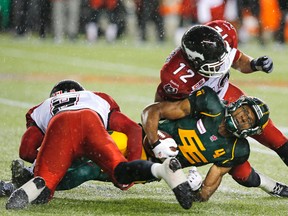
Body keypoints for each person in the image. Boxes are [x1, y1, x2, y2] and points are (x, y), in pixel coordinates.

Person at [5, 80, 193, 210]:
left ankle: (35, 184)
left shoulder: (42, 107)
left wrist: (48, 158)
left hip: (60, 126)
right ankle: (162, 170)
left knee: (46, 187)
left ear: (54, 96)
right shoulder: (96, 97)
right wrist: (132, 170)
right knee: (122, 171)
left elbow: (26, 149)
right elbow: (133, 129)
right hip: (91, 122)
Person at [154, 21, 288, 190]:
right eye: (215, 63)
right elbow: (174, 110)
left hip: (227, 94)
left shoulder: (222, 32)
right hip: (203, 113)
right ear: (195, 62)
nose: (222, 65)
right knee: (237, 162)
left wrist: (254, 64)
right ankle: (271, 186)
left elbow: (237, 60)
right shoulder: (176, 78)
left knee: (274, 137)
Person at [142, 86, 288, 201]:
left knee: (124, 176)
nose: (244, 118)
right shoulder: (210, 104)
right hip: (145, 139)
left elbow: (206, 191)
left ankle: (272, 186)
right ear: (237, 105)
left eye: (249, 120)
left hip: (152, 169)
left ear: (251, 130)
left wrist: (192, 193)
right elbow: (154, 110)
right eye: (244, 111)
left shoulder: (237, 149)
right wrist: (155, 142)